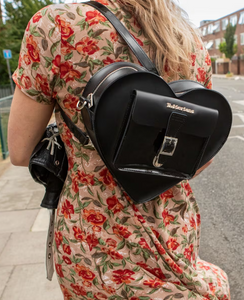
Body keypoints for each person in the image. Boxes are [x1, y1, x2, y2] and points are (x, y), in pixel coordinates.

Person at [8, 0, 230, 299]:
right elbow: (199, 158)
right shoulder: (188, 39)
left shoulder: (57, 25)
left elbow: (20, 152)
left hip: (93, 240)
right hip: (174, 230)